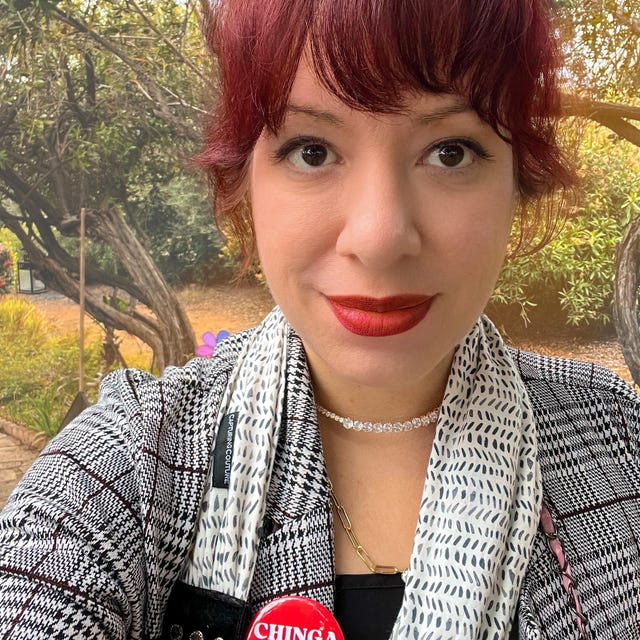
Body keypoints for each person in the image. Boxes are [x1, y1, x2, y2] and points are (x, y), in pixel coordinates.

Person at [1, 0, 639, 638]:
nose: (379, 237)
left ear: (518, 184)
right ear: (244, 183)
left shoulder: (619, 446)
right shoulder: (135, 466)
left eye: (450, 152)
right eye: (312, 151)